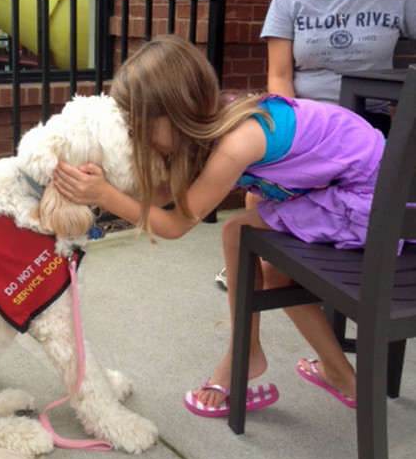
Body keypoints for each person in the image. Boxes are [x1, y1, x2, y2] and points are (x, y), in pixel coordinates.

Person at [53, 35, 386, 417]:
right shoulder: (214, 120)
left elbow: (176, 223)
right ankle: (332, 373)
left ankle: (247, 353)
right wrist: (105, 187)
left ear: (176, 113)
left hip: (371, 201)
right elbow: (168, 194)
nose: (137, 136)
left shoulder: (235, 144)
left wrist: (107, 195)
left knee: (239, 233)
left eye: (141, 125)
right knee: (267, 260)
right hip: (347, 184)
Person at [215, 0, 416, 291]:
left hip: (369, 125)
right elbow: (279, 75)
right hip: (306, 121)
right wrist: (289, 139)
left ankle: (297, 269)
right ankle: (262, 257)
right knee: (263, 166)